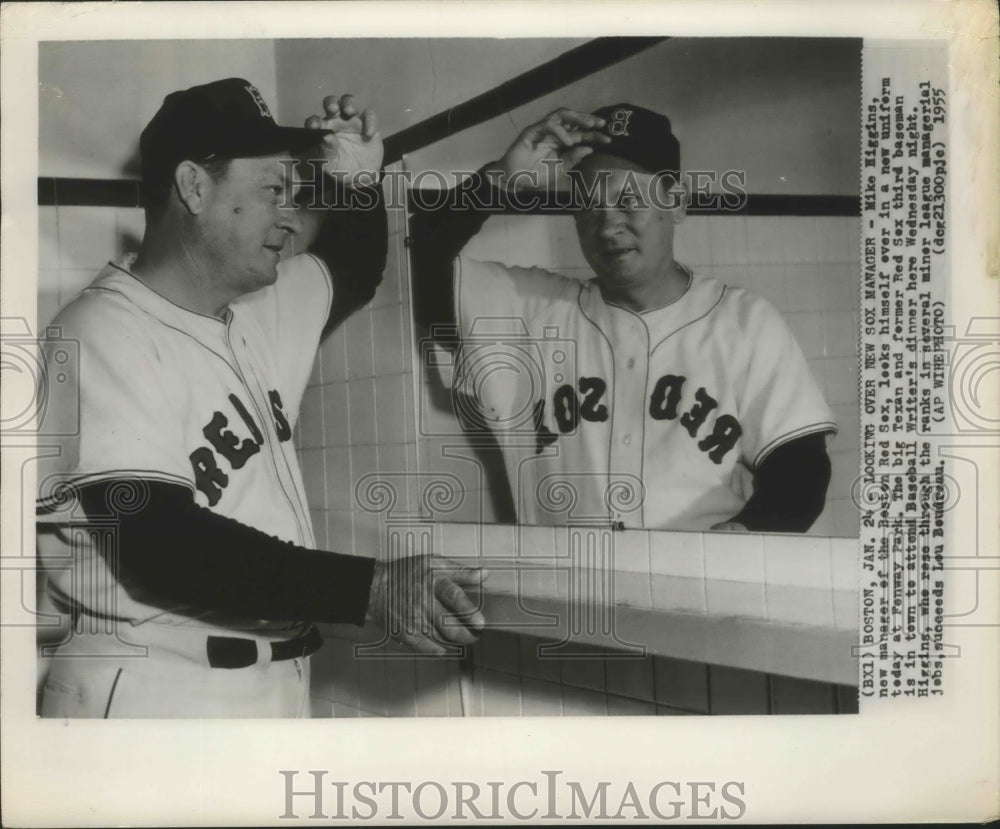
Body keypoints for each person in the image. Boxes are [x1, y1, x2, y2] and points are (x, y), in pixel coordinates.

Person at [35, 78, 485, 718]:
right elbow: (162, 546)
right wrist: (372, 588)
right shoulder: (101, 330)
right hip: (152, 691)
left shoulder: (254, 309)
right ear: (194, 186)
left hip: (270, 684)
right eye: (274, 191)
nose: (290, 216)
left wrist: (354, 180)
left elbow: (352, 269)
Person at [409, 104, 835, 532]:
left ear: (677, 203)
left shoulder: (745, 321)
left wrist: (740, 537)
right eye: (588, 206)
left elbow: (800, 470)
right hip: (567, 584)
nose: (608, 225)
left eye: (628, 200)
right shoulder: (529, 307)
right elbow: (421, 256)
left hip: (699, 584)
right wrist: (501, 178)